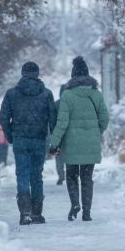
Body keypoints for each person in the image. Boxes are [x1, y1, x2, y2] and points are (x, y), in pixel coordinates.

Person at [48, 56, 109, 221]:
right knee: (87, 177)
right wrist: (96, 132)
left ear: (73, 76)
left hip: (72, 144)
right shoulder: (96, 94)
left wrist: (54, 143)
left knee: (72, 175)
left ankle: (75, 204)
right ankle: (87, 212)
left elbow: (62, 123)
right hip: (90, 143)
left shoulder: (67, 95)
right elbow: (105, 118)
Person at [0, 61, 56, 225]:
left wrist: (11, 136)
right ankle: (37, 213)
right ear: (37, 74)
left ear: (22, 73)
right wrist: (53, 141)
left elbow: (3, 118)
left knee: (22, 175)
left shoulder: (12, 94)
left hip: (20, 140)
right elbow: (52, 119)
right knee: (37, 175)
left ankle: (25, 213)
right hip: (39, 140)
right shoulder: (46, 94)